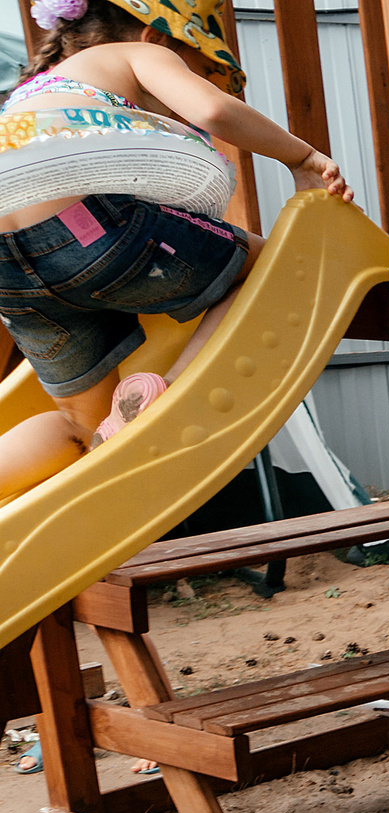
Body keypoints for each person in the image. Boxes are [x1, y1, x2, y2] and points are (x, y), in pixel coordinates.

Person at [0, 0, 353, 502]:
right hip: (90, 228)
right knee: (271, 266)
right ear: (158, 37)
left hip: (7, 268)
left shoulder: (32, 92)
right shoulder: (135, 53)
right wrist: (301, 156)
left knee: (78, 428)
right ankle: (159, 398)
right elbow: (212, 110)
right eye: (200, 68)